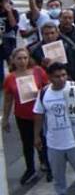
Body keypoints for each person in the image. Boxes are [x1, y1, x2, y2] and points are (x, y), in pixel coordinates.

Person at [33, 62, 75, 195]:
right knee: (57, 174)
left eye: (64, 75)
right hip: (54, 142)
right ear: (50, 78)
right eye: (57, 76)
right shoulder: (44, 93)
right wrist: (36, 136)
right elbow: (39, 115)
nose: (61, 79)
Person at [2, 48, 49, 185]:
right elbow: (8, 100)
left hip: (39, 114)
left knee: (42, 140)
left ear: (29, 59)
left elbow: (48, 89)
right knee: (27, 143)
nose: (22, 61)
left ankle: (46, 163)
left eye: (25, 58)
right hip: (22, 116)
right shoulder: (10, 78)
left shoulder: (38, 71)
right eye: (19, 59)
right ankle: (30, 169)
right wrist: (5, 119)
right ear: (13, 60)